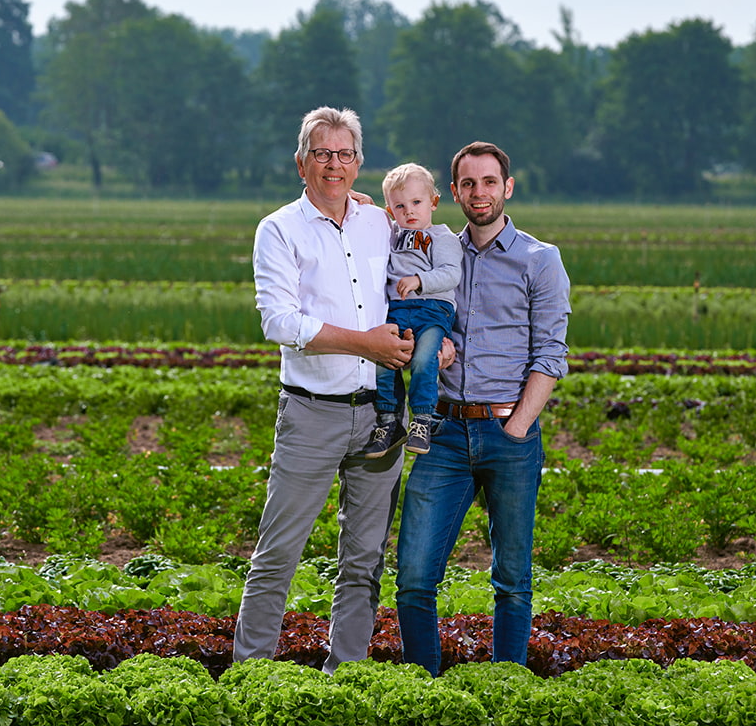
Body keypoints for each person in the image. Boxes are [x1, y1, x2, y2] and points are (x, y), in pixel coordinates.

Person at [234, 106, 415, 673]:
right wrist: (367, 344)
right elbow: (280, 324)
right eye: (321, 154)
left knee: (364, 559)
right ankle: (251, 676)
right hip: (312, 414)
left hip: (381, 413)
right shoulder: (279, 229)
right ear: (301, 163)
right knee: (278, 554)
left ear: (358, 163)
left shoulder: (378, 223)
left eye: (344, 155)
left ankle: (346, 676)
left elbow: (432, 254)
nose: (333, 165)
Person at [396, 140, 571, 674]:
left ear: (507, 188)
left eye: (489, 182)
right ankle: (428, 690)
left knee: (512, 580)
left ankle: (507, 686)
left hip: (508, 434)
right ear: (453, 192)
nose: (479, 193)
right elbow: (376, 212)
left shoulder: (540, 259)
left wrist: (517, 427)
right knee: (414, 580)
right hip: (443, 432)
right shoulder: (434, 250)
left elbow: (551, 353)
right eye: (468, 184)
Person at [362, 163, 462, 458]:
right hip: (398, 309)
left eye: (417, 202)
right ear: (391, 210)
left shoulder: (443, 237)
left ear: (434, 201)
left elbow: (450, 274)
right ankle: (389, 422)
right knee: (384, 359)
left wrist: (420, 281)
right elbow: (370, 215)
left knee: (422, 360)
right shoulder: (392, 231)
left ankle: (422, 420)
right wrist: (363, 202)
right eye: (400, 206)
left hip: (432, 309)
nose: (410, 212)